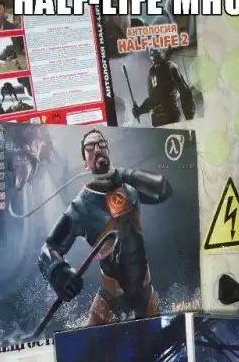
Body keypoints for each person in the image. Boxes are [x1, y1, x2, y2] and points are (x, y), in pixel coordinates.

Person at [38, 129, 172, 326]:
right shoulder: (81, 207)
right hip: (109, 302)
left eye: (101, 144)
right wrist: (58, 271)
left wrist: (124, 175)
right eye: (90, 147)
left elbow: (162, 190)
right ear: (85, 163)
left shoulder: (130, 189)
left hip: (145, 296)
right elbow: (48, 249)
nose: (97, 149)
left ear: (108, 151)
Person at [132, 47, 195, 127]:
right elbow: (153, 99)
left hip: (166, 117)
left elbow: (184, 92)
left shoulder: (167, 67)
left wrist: (139, 110)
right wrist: (139, 110)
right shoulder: (153, 71)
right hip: (162, 118)